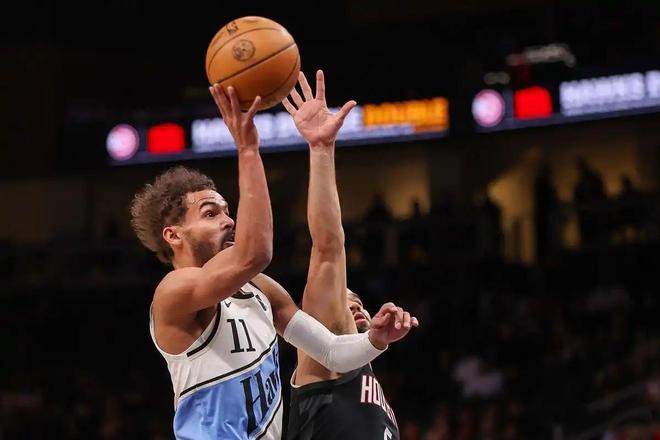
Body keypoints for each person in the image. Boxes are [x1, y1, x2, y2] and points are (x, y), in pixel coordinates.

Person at [130, 84, 417, 439]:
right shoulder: (173, 293)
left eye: (227, 211)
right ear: (174, 236)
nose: (229, 220)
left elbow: (330, 352)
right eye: (210, 213)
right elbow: (255, 253)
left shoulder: (260, 289)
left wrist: (374, 340)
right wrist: (248, 149)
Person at [282, 70, 418, 440]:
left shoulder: (365, 377)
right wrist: (321, 150)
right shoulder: (328, 348)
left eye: (358, 302)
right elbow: (328, 248)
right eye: (346, 302)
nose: (355, 307)